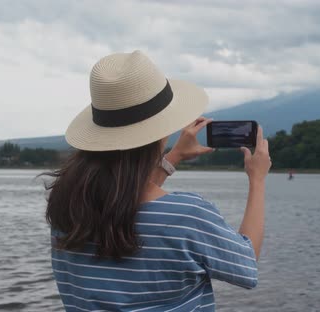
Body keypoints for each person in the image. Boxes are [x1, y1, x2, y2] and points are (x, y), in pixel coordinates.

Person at [43, 51, 271, 311]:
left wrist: (171, 159)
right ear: (161, 131)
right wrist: (258, 179)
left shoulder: (67, 205)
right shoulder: (187, 215)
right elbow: (245, 264)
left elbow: (125, 197)